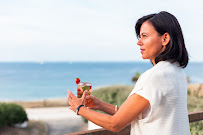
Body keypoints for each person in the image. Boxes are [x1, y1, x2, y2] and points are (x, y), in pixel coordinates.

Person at [68, 11, 190, 135]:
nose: (139, 42)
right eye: (140, 37)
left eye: (145, 36)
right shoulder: (177, 72)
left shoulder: (154, 76)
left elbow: (114, 124)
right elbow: (137, 115)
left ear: (165, 39)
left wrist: (80, 109)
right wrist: (101, 105)